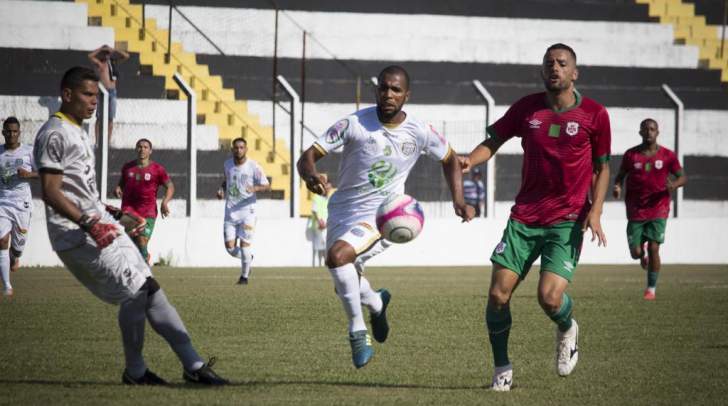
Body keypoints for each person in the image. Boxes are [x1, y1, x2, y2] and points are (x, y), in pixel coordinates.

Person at [33, 66, 227, 385]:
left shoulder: (77, 130)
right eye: (87, 94)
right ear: (66, 95)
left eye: (97, 95)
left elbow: (83, 194)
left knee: (151, 289)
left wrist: (119, 216)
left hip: (102, 224)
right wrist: (90, 223)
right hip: (77, 235)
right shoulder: (55, 132)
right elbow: (51, 191)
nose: (94, 101)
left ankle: (194, 366)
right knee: (135, 292)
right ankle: (135, 372)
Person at [297, 65, 474, 369]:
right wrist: (311, 175)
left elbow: (450, 159)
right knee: (345, 279)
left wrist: (458, 200)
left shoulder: (419, 131)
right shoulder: (354, 123)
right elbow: (307, 157)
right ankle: (377, 302)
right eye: (384, 88)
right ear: (376, 90)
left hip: (384, 215)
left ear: (407, 94)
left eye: (396, 90)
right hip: (341, 211)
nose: (389, 94)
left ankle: (357, 332)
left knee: (338, 257)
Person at [462, 44, 611, 391]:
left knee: (550, 298)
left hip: (567, 220)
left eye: (562, 63)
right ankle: (502, 370)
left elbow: (604, 168)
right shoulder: (527, 108)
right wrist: (470, 159)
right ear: (542, 71)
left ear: (575, 73)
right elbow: (493, 140)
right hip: (524, 219)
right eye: (549, 63)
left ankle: (567, 327)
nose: (555, 68)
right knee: (498, 295)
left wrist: (597, 210)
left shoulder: (595, 114)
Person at [612, 118, 686, 300]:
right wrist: (618, 187)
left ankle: (651, 289)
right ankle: (641, 254)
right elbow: (620, 176)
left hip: (658, 209)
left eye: (652, 129)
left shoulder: (668, 156)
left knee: (655, 248)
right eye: (645, 129)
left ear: (658, 132)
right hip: (636, 210)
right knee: (636, 253)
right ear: (640, 133)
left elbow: (682, 177)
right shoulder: (631, 155)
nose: (649, 132)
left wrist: (674, 185)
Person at [216, 137, 271, 285]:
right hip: (230, 211)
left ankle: (244, 277)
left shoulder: (254, 166)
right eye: (236, 147)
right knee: (230, 248)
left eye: (242, 147)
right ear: (232, 149)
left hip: (248, 211)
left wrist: (255, 188)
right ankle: (248, 259)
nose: (239, 150)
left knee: (245, 245)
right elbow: (227, 180)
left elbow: (267, 185)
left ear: (246, 149)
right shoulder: (227, 164)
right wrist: (222, 189)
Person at [114, 138, 174, 264]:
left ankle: (144, 263)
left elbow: (170, 186)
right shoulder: (127, 167)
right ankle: (142, 262)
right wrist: (118, 188)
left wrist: (164, 202)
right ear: (136, 149)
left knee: (141, 240)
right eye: (140, 146)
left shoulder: (157, 169)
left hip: (148, 212)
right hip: (128, 211)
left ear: (150, 151)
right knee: (132, 244)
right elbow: (121, 183)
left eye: (146, 147)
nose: (142, 149)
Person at [0, 117, 38, 297]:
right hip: (2, 203)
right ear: (3, 133)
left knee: (17, 248)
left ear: (19, 133)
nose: (11, 134)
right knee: (1, 241)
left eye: (15, 131)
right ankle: (7, 286)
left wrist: (28, 174)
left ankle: (15, 257)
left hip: (22, 205)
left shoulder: (29, 152)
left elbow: (44, 173)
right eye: (8, 131)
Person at [88, 44, 129, 142]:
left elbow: (126, 56)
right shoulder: (100, 63)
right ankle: (98, 141)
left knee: (110, 118)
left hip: (112, 92)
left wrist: (113, 50)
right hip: (102, 92)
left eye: (107, 53)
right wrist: (100, 49)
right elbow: (90, 56)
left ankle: (108, 141)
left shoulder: (113, 63)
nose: (106, 55)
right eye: (104, 53)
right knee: (99, 118)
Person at [306, 175, 332, 267]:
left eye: (329, 188)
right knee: (319, 245)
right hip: (318, 225)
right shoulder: (317, 197)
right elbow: (314, 211)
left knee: (325, 245)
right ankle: (317, 264)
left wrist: (327, 223)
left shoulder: (329, 199)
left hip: (326, 225)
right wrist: (320, 222)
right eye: (327, 188)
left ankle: (324, 263)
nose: (328, 190)